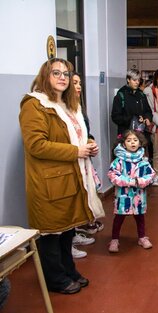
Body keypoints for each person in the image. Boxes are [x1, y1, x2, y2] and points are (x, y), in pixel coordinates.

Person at [19, 58, 104, 294]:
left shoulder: (68, 105)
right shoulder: (34, 105)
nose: (62, 77)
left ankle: (69, 270)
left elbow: (73, 136)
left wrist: (89, 143)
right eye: (56, 73)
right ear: (45, 75)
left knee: (67, 231)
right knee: (51, 235)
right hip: (49, 181)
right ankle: (54, 279)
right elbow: (36, 145)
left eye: (66, 73)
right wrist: (76, 151)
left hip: (72, 176)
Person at [107, 130, 156, 253]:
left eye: (135, 140)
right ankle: (114, 239)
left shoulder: (143, 161)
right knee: (119, 217)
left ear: (140, 143)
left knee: (140, 217)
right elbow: (112, 175)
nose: (132, 143)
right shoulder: (118, 161)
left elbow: (151, 175)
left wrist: (140, 181)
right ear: (123, 144)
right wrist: (129, 181)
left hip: (139, 196)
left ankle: (142, 237)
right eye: (128, 140)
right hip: (123, 196)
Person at [69, 72, 100, 259]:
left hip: (83, 159)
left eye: (79, 83)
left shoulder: (78, 107)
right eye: (74, 83)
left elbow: (84, 132)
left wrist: (91, 141)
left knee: (82, 196)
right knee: (71, 202)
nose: (78, 86)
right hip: (70, 160)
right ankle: (68, 241)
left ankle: (73, 234)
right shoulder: (62, 109)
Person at [111, 69, 153, 161]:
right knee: (126, 163)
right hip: (126, 136)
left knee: (141, 162)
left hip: (140, 136)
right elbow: (115, 117)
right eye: (134, 80)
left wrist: (147, 118)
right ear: (128, 80)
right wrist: (133, 119)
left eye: (138, 80)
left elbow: (148, 111)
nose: (137, 83)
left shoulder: (141, 95)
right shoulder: (120, 95)